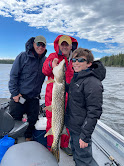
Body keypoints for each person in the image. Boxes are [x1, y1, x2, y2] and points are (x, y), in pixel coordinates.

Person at [65, 48, 106, 166]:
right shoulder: (77, 77)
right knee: (77, 156)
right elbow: (75, 92)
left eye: (80, 60)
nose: (76, 63)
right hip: (73, 127)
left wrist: (85, 136)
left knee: (84, 160)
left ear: (89, 64)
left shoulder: (92, 82)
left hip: (81, 131)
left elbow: (94, 112)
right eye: (74, 60)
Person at [42, 35, 78, 155]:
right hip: (53, 99)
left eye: (66, 44)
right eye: (62, 44)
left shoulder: (75, 60)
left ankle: (63, 145)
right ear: (58, 45)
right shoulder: (54, 56)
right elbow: (45, 70)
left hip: (69, 99)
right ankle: (51, 148)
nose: (64, 47)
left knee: (67, 123)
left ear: (70, 46)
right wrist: (51, 65)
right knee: (52, 123)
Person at [9, 35, 47, 141]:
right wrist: (15, 93)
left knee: (33, 120)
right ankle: (13, 141)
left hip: (34, 97)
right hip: (20, 96)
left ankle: (28, 139)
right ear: (33, 44)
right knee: (15, 119)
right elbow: (13, 76)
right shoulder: (22, 56)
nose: (40, 47)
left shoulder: (45, 61)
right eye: (38, 44)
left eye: (43, 45)